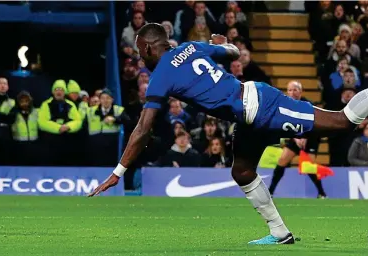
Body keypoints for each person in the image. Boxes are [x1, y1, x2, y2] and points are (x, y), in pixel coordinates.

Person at [88, 23, 368, 245]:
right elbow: (232, 53)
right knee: (243, 172)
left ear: (149, 47)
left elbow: (142, 128)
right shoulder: (191, 47)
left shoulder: (161, 75)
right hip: (248, 113)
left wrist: (118, 172)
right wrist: (223, 45)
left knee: (342, 122)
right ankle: (280, 233)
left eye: (139, 52)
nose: (140, 57)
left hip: (262, 107)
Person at [267, 81, 327, 198]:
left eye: (295, 90)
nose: (292, 93)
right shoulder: (285, 105)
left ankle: (322, 193)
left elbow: (312, 123)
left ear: (300, 91)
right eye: (289, 90)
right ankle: (270, 192)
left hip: (311, 137)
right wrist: (295, 137)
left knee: (308, 166)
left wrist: (304, 136)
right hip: (295, 137)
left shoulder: (308, 105)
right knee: (282, 161)